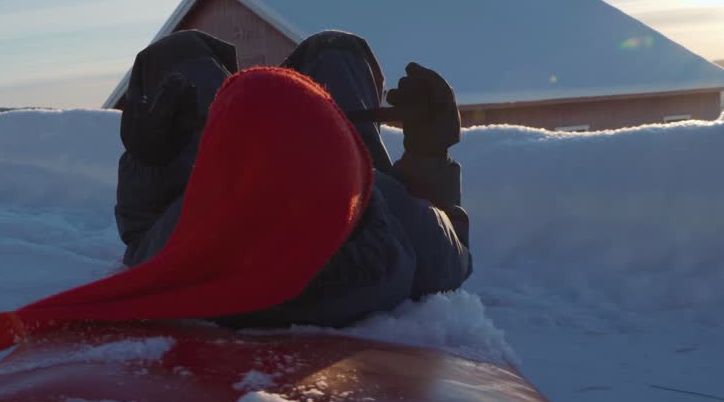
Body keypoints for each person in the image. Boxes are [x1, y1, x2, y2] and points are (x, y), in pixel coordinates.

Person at [114, 29, 472, 328]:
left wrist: (149, 161)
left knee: (179, 54)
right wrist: (430, 155)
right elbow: (449, 250)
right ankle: (316, 95)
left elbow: (141, 240)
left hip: (238, 217)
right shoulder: (392, 218)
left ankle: (215, 95)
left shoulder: (196, 231)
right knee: (337, 50)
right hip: (351, 215)